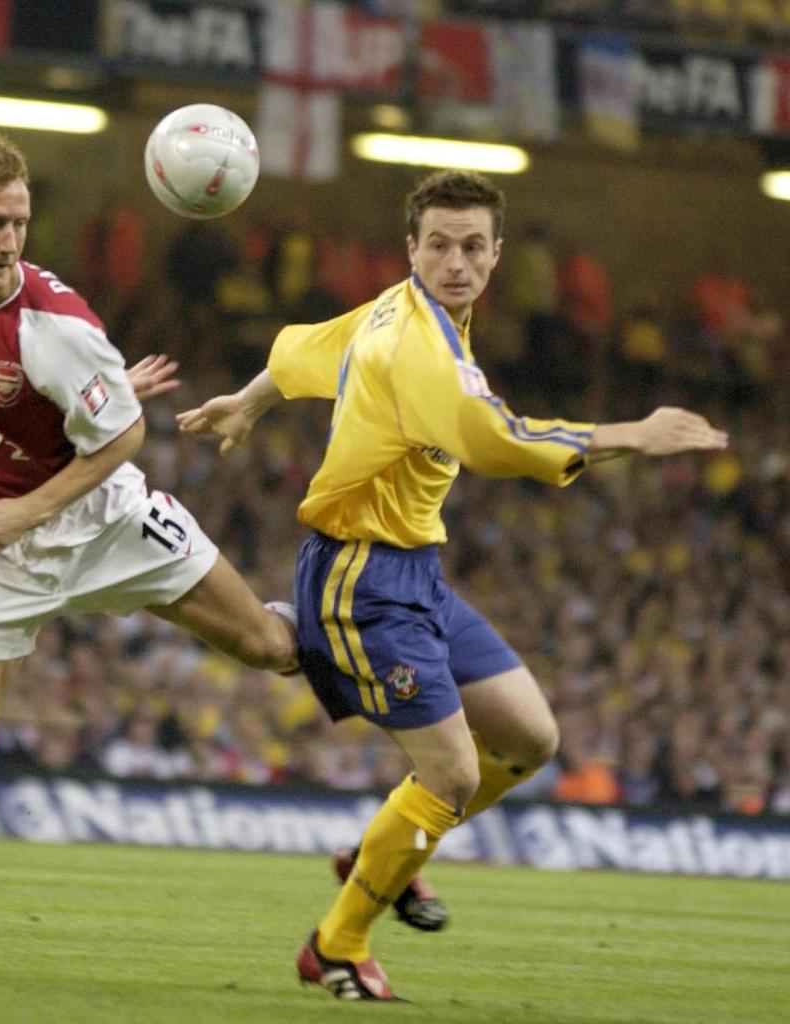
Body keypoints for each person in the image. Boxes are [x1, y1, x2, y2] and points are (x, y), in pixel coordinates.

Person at [177, 169, 728, 1001]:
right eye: (440, 244)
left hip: (415, 568)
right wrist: (635, 435)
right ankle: (336, 946)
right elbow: (497, 441)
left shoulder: (399, 308)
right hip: (360, 572)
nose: (456, 261)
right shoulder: (419, 343)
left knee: (533, 742)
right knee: (454, 777)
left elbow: (303, 350)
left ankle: (377, 859)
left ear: (497, 254)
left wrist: (249, 404)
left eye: (473, 246)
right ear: (413, 248)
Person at [0, 132, 297, 979]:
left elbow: (126, 436)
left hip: (106, 525)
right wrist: (73, 404)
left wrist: (84, 404)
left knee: (269, 650)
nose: (9, 243)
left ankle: (342, 613)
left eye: (21, 223)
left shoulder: (53, 326)